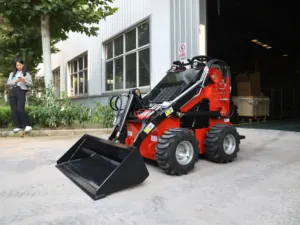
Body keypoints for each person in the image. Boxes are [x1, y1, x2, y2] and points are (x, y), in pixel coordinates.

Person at [6, 59, 33, 133]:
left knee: (20, 109)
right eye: (17, 65)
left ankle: (27, 125)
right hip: (12, 91)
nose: (18, 66)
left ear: (23, 65)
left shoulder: (27, 74)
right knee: (14, 110)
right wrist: (15, 81)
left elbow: (30, 84)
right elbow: (8, 83)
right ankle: (17, 126)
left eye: (20, 65)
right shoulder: (12, 74)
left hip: (21, 90)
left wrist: (24, 80)